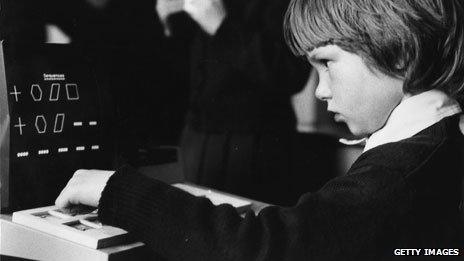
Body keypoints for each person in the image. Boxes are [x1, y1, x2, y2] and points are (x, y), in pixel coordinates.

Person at [56, 0, 464, 260]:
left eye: (327, 63)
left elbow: (265, 248)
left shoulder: (398, 173)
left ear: (399, 54)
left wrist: (117, 190)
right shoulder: (435, 141)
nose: (320, 89)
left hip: (252, 142)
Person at [154, 0, 321, 206]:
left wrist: (222, 27)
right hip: (194, 138)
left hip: (254, 146)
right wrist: (167, 24)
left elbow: (291, 74)